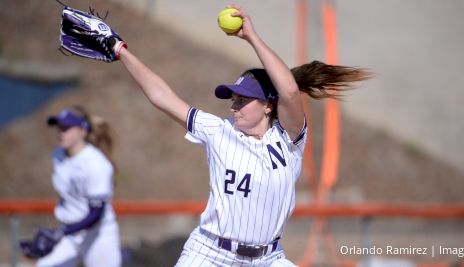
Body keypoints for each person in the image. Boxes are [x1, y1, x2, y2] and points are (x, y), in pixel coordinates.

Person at [112, 5, 369, 266]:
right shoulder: (218, 131)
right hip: (211, 253)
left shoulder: (288, 141)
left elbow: (289, 91)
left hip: (269, 258)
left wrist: (251, 38)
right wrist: (121, 52)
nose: (233, 106)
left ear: (268, 105)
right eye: (234, 99)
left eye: (243, 100)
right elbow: (162, 97)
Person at [37, 106, 121, 267]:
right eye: (59, 127)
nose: (61, 132)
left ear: (83, 131)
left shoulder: (96, 164)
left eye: (67, 128)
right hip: (71, 232)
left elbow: (96, 213)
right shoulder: (58, 155)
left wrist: (62, 233)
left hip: (98, 234)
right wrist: (63, 230)